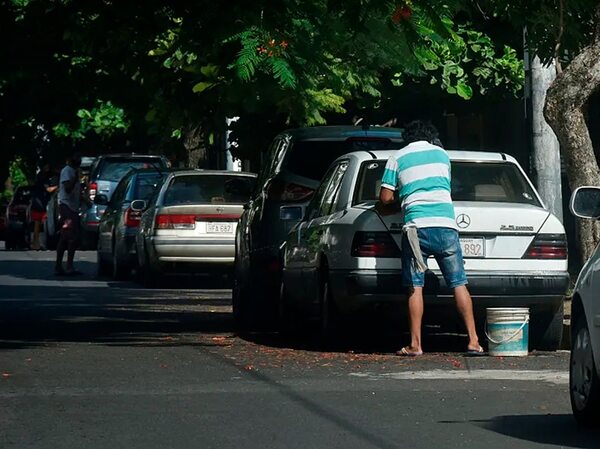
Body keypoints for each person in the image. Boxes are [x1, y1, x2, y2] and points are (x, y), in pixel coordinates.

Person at [378, 120, 484, 356]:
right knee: (459, 283)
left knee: (415, 287)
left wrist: (402, 200)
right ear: (431, 137)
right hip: (446, 225)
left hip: (416, 227)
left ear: (407, 137)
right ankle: (474, 341)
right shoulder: (442, 155)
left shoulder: (398, 157)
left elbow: (385, 198)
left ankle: (416, 345)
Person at [55, 153, 82, 276]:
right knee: (71, 237)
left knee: (66, 237)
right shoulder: (67, 171)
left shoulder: (74, 171)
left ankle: (60, 265)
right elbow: (67, 188)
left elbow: (76, 191)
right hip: (67, 207)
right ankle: (68, 266)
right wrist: (75, 178)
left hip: (73, 208)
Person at [30, 162, 57, 250]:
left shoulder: (42, 176)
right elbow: (48, 189)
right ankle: (35, 243)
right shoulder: (42, 177)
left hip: (40, 202)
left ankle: (36, 243)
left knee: (39, 225)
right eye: (46, 166)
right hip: (39, 203)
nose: (47, 168)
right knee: (38, 225)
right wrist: (58, 186)